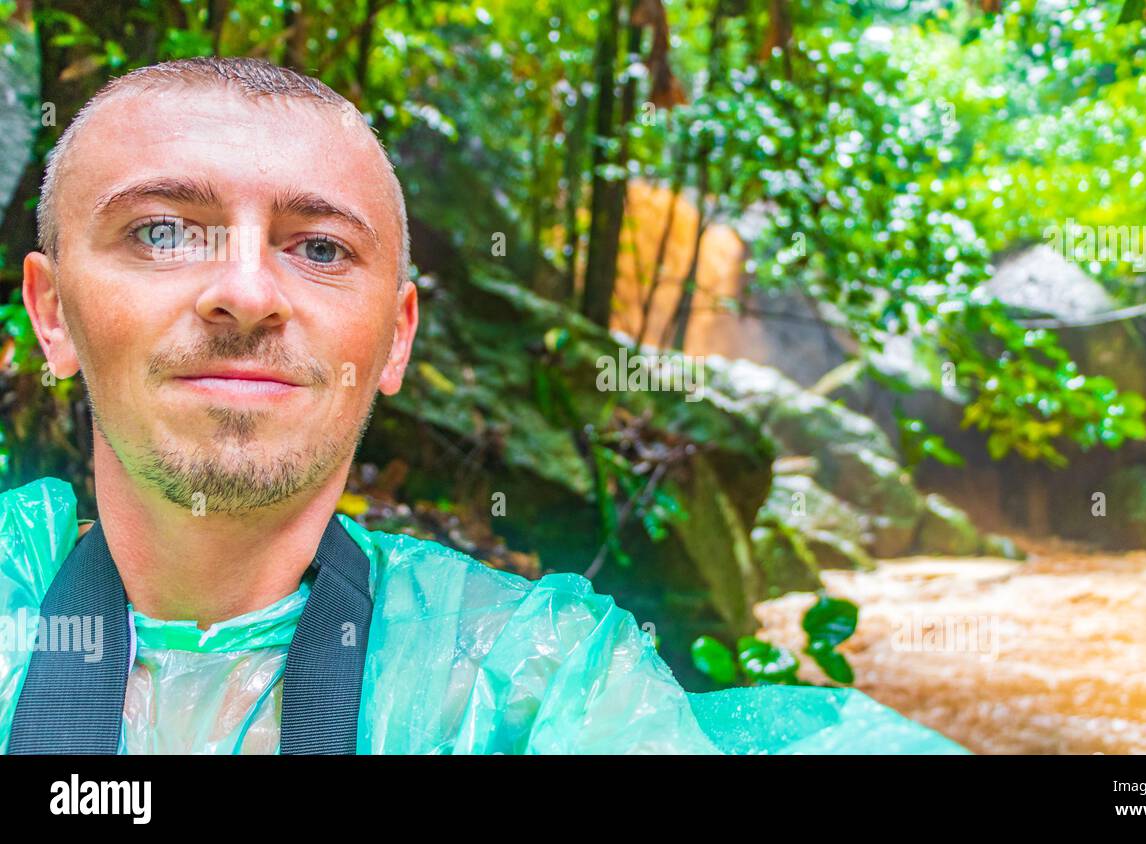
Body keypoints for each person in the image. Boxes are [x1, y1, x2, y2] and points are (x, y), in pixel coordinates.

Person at [0, 57, 967, 755]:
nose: (247, 292)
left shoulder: (534, 683)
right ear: (52, 315)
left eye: (322, 248)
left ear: (395, 338)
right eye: (164, 232)